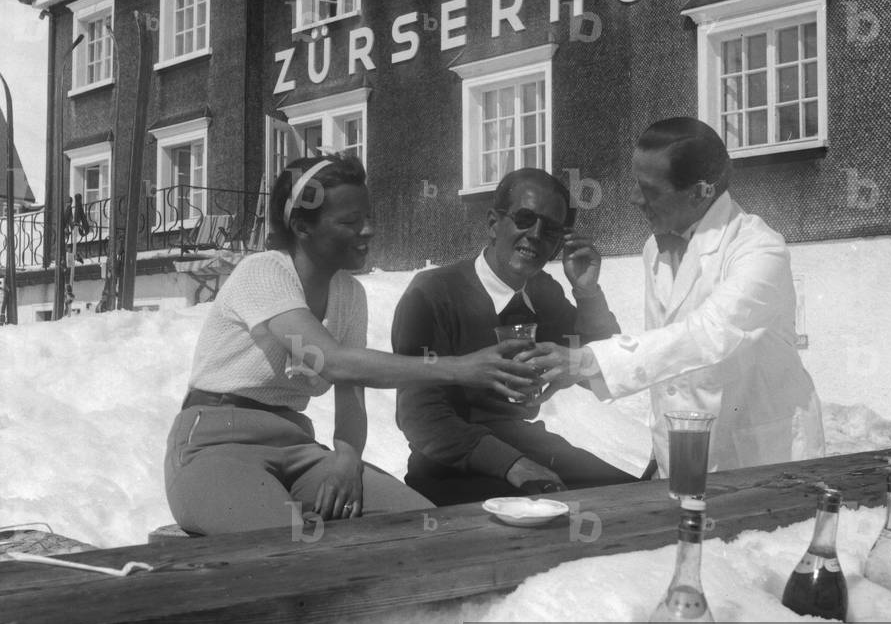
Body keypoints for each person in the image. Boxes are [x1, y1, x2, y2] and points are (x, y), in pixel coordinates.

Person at [164, 154, 539, 535]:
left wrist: (346, 457)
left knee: (424, 527)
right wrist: (459, 368)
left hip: (295, 445)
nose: (367, 230)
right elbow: (334, 363)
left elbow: (351, 392)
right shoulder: (263, 272)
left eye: (368, 218)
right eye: (349, 221)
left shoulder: (350, 294)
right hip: (215, 443)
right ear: (301, 226)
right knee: (287, 550)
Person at [525, 119, 825, 474]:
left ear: (700, 192)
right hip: (682, 457)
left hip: (762, 459)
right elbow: (673, 364)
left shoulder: (760, 250)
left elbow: (709, 334)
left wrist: (586, 361)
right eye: (637, 183)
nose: (635, 199)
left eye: (650, 190)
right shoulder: (655, 247)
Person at [391, 167, 638, 505]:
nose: (536, 235)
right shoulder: (433, 293)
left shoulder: (543, 292)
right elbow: (420, 416)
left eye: (551, 229)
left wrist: (588, 293)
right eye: (525, 218)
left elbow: (599, 372)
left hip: (528, 446)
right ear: (493, 224)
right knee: (550, 524)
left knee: (632, 498)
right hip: (449, 464)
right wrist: (513, 466)